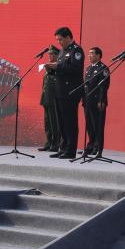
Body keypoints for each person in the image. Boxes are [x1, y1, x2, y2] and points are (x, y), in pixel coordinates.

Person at [45, 26, 84, 159]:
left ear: (68, 37)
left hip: (70, 91)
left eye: (60, 39)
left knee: (70, 121)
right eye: (57, 40)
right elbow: (61, 70)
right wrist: (51, 69)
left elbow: (75, 68)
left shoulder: (76, 50)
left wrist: (58, 66)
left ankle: (70, 150)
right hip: (59, 90)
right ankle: (63, 147)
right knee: (61, 121)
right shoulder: (62, 51)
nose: (59, 42)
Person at [82, 46, 110, 157]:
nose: (90, 55)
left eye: (92, 53)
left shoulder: (103, 68)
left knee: (97, 125)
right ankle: (90, 145)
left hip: (97, 101)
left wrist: (101, 100)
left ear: (98, 55)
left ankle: (97, 147)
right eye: (89, 53)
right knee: (89, 125)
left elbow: (104, 86)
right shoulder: (88, 68)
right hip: (88, 101)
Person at [38, 46, 60, 152]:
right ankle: (48, 143)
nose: (50, 56)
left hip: (54, 99)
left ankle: (55, 144)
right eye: (49, 54)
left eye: (52, 54)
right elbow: (45, 84)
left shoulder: (58, 67)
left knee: (54, 122)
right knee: (47, 122)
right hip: (46, 98)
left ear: (57, 55)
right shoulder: (48, 67)